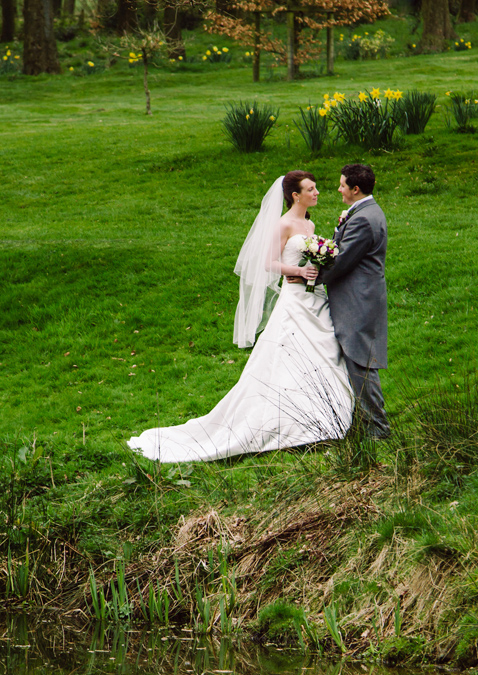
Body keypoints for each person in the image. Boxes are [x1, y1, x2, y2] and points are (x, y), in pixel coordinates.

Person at [126, 171, 353, 463]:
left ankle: (321, 418)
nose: (317, 192)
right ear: (295, 195)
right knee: (289, 356)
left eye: (316, 188)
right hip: (294, 300)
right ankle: (289, 424)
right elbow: (270, 263)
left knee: (321, 354)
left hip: (314, 301)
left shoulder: (309, 223)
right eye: (311, 189)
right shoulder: (282, 225)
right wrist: (299, 272)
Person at [313, 163, 391, 440]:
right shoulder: (366, 211)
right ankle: (362, 421)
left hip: (358, 300)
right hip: (362, 296)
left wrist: (310, 276)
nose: (339, 189)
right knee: (358, 360)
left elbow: (342, 260)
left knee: (361, 362)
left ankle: (378, 428)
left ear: (355, 189)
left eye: (342, 185)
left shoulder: (362, 218)